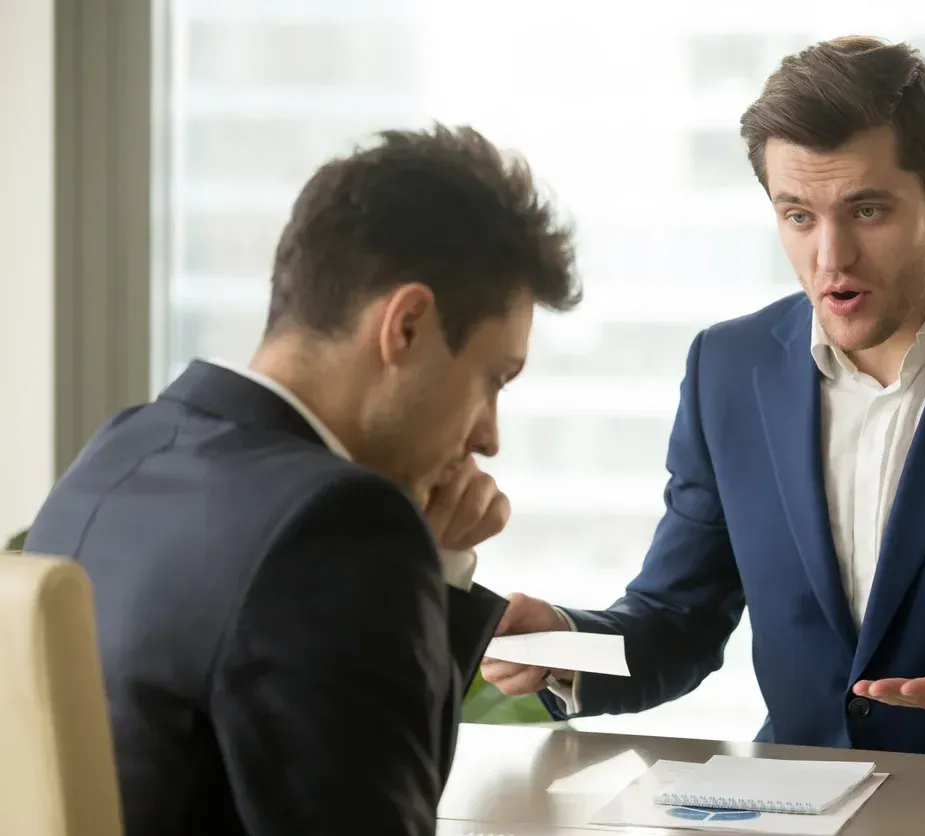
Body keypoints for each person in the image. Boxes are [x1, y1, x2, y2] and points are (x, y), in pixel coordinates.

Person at [482, 36, 925, 769]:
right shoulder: (729, 370)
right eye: (798, 216)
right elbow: (679, 621)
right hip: (790, 810)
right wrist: (564, 642)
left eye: (865, 211)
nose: (830, 258)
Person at [24, 125, 581, 836]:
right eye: (493, 379)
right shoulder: (339, 528)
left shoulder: (122, 450)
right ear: (405, 326)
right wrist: (431, 568)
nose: (488, 437)